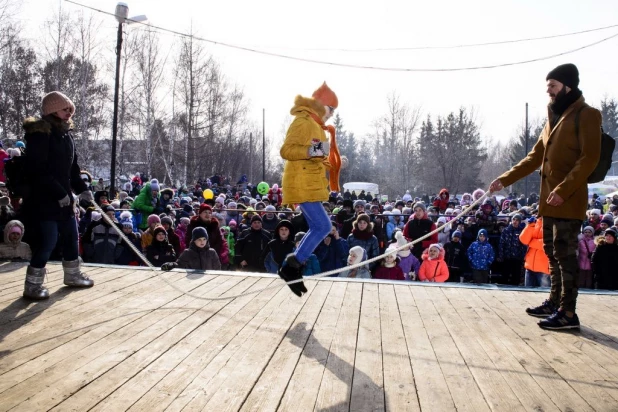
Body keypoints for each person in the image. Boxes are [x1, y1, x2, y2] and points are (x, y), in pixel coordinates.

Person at [490, 63, 602, 330]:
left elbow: (590, 158)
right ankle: (554, 302)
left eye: (553, 85)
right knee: (552, 253)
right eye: (548, 86)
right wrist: (504, 179)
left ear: (568, 86)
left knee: (566, 256)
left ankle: (568, 312)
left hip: (568, 198)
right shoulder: (553, 116)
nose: (549, 91)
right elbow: (534, 157)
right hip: (548, 201)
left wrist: (563, 190)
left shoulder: (587, 114)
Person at [20, 91, 94, 299]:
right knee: (48, 241)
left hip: (64, 199)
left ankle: (72, 274)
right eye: (65, 109)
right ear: (52, 110)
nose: (69, 112)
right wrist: (60, 193)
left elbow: (73, 169)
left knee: (71, 236)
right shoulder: (40, 135)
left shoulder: (66, 135)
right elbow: (38, 170)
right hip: (44, 199)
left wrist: (83, 189)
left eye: (71, 109)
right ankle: (32, 284)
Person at [278, 82, 340, 296]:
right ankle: (291, 265)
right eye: (331, 109)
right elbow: (287, 150)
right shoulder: (303, 121)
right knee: (323, 227)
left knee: (318, 227)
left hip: (310, 184)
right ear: (322, 105)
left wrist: (331, 161)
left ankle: (293, 268)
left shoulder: (317, 126)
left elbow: (315, 156)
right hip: (302, 184)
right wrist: (316, 150)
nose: (332, 114)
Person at [519, 216, 551, 288]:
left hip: (544, 269)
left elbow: (548, 243)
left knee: (544, 295)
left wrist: (531, 242)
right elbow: (523, 240)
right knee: (528, 295)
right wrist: (530, 226)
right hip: (529, 267)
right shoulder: (534, 223)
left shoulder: (553, 224)